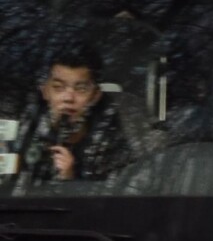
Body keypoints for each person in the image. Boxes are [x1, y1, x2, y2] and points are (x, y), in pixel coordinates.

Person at [7, 49, 133, 188]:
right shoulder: (21, 135)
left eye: (81, 89)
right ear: (45, 91)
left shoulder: (113, 145)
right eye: (58, 87)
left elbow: (114, 200)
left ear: (95, 95)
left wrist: (70, 181)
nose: (68, 98)